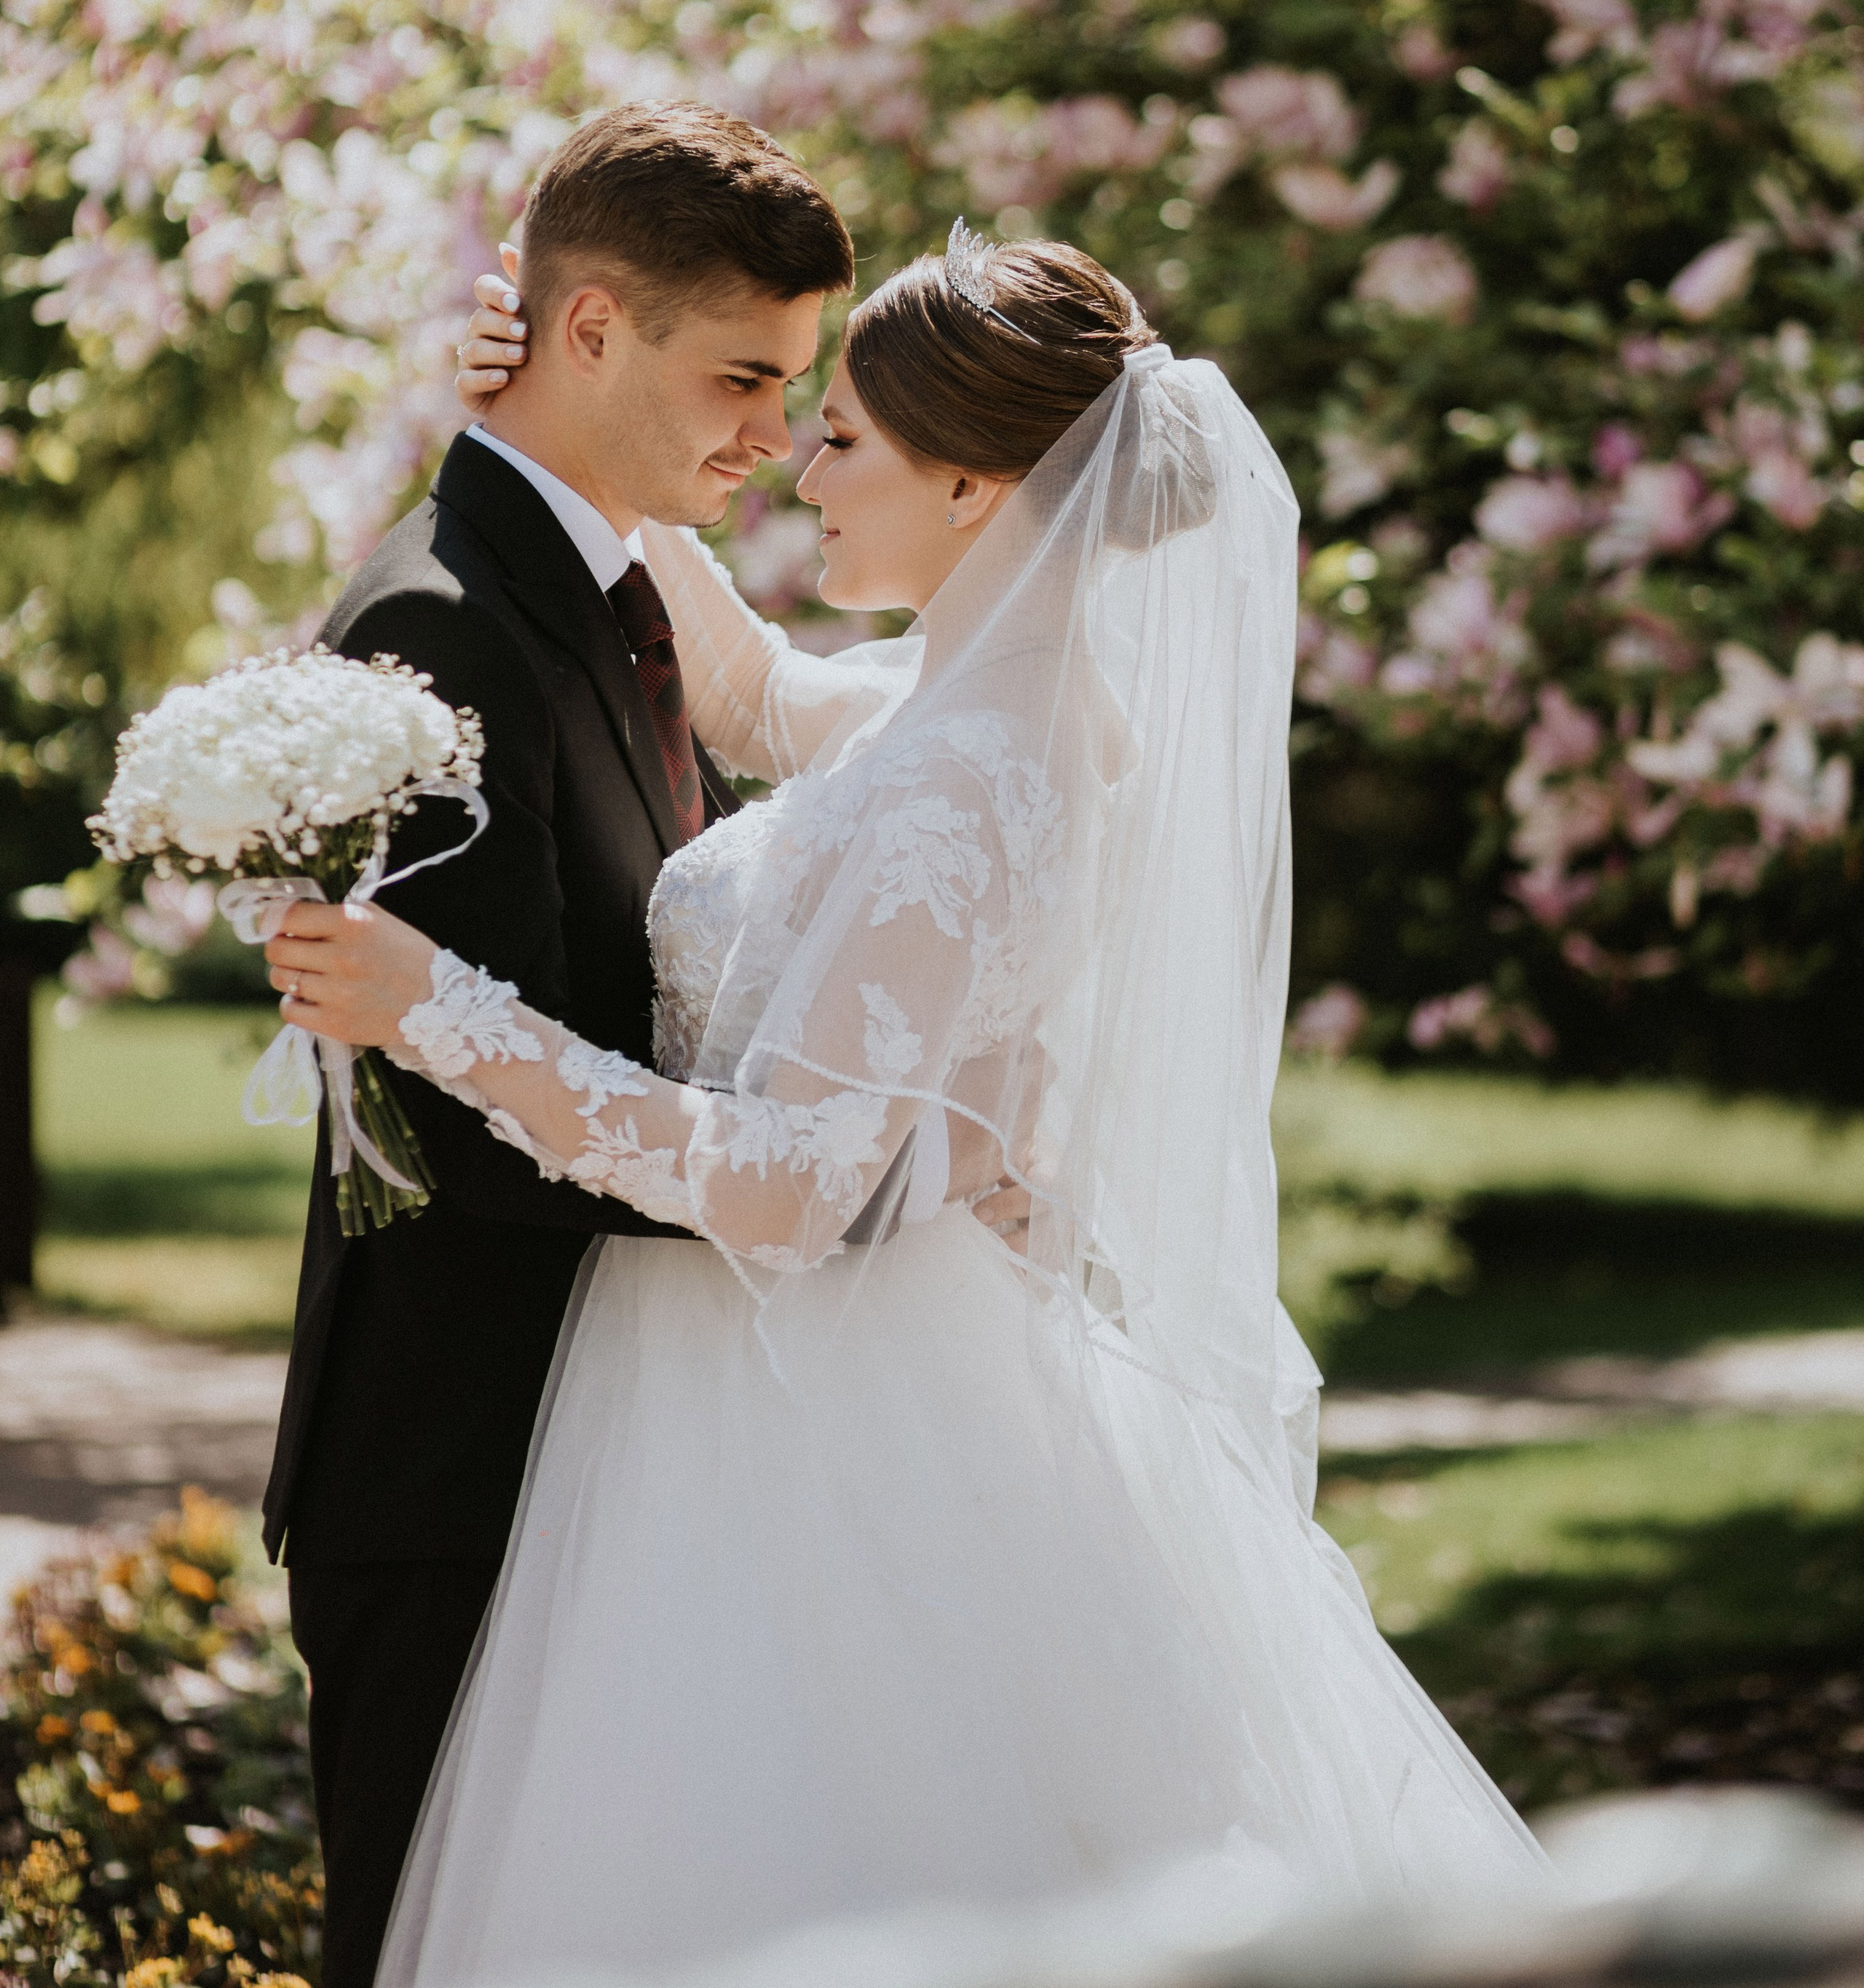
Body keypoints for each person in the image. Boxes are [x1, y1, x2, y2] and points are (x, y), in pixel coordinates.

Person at [266, 226, 1546, 1987]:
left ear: (972, 478)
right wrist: (568, 430)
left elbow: (791, 1185)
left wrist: (444, 1010)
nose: (797, 466)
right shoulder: (965, 702)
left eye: (844, 436)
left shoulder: (973, 766)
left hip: (795, 1407)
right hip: (815, 1370)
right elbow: (751, 690)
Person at [268, 100, 855, 1988]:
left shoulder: (609, 596)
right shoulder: (443, 624)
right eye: (745, 377)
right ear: (589, 330)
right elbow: (466, 1123)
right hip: (462, 1459)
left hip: (604, 1447)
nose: (774, 436)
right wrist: (834, 1187)